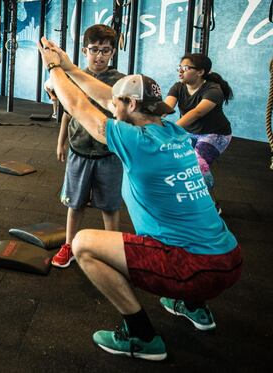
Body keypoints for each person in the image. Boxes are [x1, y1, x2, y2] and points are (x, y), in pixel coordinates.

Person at [38, 37, 241, 362]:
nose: (111, 105)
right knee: (180, 235)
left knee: (84, 244)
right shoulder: (173, 132)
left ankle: (141, 335)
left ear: (131, 107)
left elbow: (78, 107)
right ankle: (192, 304)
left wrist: (52, 66)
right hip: (229, 257)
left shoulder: (136, 140)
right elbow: (107, 96)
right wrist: (71, 66)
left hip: (197, 268)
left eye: (118, 103)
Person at [48, 24, 125, 269]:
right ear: (84, 50)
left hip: (108, 154)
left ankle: (112, 249)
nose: (99, 56)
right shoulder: (71, 77)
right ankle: (69, 245)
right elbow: (69, 113)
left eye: (105, 51)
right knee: (75, 203)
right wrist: (61, 142)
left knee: (110, 205)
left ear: (113, 52)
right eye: (94, 50)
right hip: (79, 151)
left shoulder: (120, 82)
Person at [164, 53, 233, 198]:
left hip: (215, 134)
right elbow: (166, 108)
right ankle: (190, 197)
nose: (180, 71)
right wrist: (148, 120)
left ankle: (210, 202)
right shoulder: (178, 87)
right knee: (179, 163)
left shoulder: (213, 90)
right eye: (180, 67)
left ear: (200, 72)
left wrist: (170, 130)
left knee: (197, 166)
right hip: (190, 133)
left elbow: (197, 113)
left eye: (186, 68)